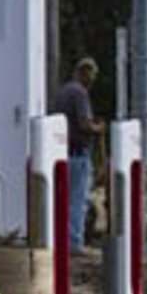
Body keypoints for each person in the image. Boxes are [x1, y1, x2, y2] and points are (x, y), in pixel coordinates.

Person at [53, 57, 104, 251]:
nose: (93, 79)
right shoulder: (79, 93)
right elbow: (84, 124)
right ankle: (74, 242)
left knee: (63, 200)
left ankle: (61, 240)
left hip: (62, 153)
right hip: (77, 153)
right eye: (92, 74)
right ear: (85, 72)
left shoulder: (63, 92)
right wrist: (98, 128)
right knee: (78, 199)